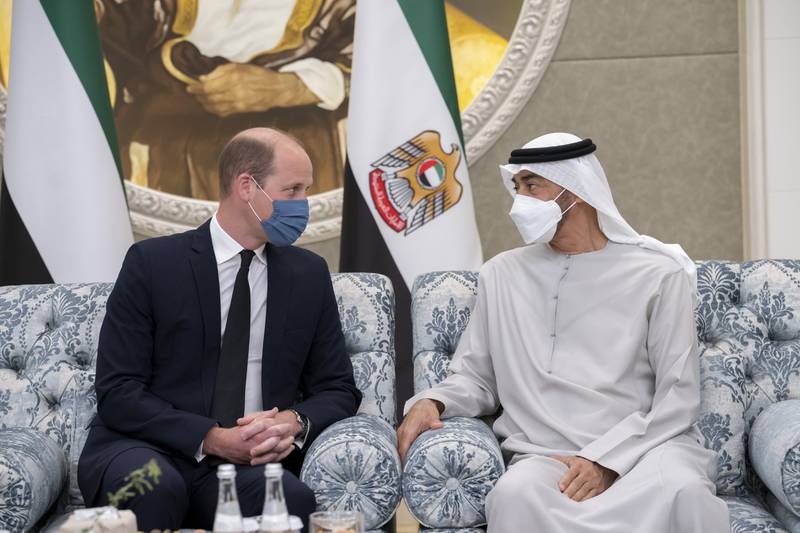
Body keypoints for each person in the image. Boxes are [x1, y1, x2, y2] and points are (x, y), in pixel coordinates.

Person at [396, 133, 729, 532]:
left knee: (683, 490)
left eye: (532, 186)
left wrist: (607, 462)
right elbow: (476, 376)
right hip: (545, 457)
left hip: (645, 451)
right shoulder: (500, 274)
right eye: (516, 188)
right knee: (513, 496)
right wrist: (433, 401)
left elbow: (678, 397)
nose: (520, 201)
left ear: (577, 191)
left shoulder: (658, 275)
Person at [78, 127, 361, 532]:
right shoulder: (153, 264)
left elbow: (338, 388)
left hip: (243, 464)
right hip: (147, 449)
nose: (304, 204)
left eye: (306, 191)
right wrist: (209, 436)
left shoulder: (308, 275)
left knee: (292, 499)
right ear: (247, 186)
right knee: (156, 489)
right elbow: (118, 389)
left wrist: (292, 422)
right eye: (293, 190)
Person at [96, 0, 355, 199]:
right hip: (162, 154)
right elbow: (110, 31)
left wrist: (290, 87)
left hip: (291, 150)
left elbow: (381, 61)